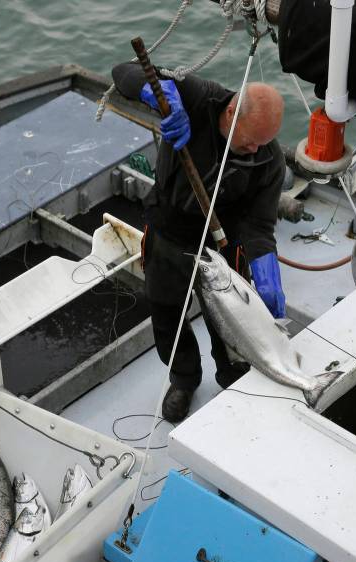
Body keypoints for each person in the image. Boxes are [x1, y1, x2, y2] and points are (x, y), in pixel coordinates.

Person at [111, 64, 287, 422]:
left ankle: (232, 377)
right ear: (230, 113)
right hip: (169, 232)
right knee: (166, 315)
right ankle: (184, 379)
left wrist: (265, 265)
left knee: (231, 323)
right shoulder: (194, 96)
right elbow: (123, 72)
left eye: (263, 143)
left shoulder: (269, 158)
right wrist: (155, 93)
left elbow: (260, 224)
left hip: (224, 246)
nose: (256, 150)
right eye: (251, 140)